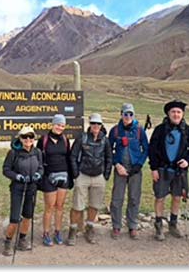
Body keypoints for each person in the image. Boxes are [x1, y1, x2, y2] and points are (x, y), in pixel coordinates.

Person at [149, 100, 189, 241]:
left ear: (182, 114)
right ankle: (158, 226)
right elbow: (152, 149)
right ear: (168, 114)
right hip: (162, 169)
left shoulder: (188, 131)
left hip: (179, 171)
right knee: (160, 197)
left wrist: (188, 161)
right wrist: (153, 168)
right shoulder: (160, 130)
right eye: (173, 112)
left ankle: (173, 224)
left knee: (177, 197)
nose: (176, 114)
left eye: (178, 112)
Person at [67, 113, 113, 245]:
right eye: (93, 123)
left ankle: (90, 227)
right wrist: (76, 174)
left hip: (98, 176)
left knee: (94, 205)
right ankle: (73, 229)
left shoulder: (105, 140)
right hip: (83, 175)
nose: (96, 126)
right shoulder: (82, 138)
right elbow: (73, 156)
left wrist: (106, 175)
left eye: (98, 124)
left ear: (101, 125)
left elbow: (109, 158)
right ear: (90, 124)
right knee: (77, 205)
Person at [108, 103, 149, 240]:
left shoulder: (139, 130)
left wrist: (139, 164)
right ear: (121, 114)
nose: (128, 117)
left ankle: (132, 225)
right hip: (120, 168)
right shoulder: (115, 131)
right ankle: (116, 226)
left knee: (134, 198)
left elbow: (146, 148)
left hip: (135, 168)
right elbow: (109, 150)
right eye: (125, 114)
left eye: (130, 114)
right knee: (117, 198)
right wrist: (116, 164)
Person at [2, 126, 43, 256]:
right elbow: (6, 169)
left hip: (31, 187)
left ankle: (22, 240)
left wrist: (38, 175)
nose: (28, 139)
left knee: (27, 215)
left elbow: (41, 167)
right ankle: (8, 243)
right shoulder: (13, 153)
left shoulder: (37, 152)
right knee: (15, 218)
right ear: (20, 138)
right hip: (17, 188)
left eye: (31, 137)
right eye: (25, 137)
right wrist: (17, 176)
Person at [37, 114, 72, 246]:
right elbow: (38, 158)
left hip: (63, 176)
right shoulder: (44, 140)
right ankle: (46, 232)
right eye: (58, 125)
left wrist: (71, 176)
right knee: (49, 207)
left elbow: (69, 158)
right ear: (52, 124)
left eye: (62, 125)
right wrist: (40, 177)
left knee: (60, 206)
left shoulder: (65, 139)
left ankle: (57, 231)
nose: (60, 127)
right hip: (48, 177)